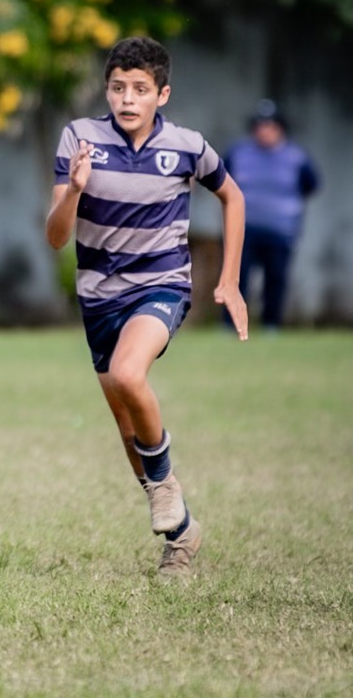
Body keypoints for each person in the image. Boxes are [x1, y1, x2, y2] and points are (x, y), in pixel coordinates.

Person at [45, 36, 248, 578]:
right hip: (98, 298)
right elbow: (56, 238)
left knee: (129, 375)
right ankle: (181, 534)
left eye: (139, 89)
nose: (126, 98)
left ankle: (166, 489)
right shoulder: (80, 139)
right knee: (127, 425)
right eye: (117, 87)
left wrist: (228, 281)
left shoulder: (186, 146)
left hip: (160, 287)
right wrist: (73, 192)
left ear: (162, 94)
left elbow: (233, 196)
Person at [224, 99, 320, 330]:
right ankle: (230, 325)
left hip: (280, 230)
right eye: (260, 125)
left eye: (270, 126)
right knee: (236, 278)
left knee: (275, 279)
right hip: (242, 228)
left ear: (281, 128)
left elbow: (312, 185)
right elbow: (219, 181)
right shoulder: (238, 152)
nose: (265, 131)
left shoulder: (296, 157)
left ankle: (271, 326)